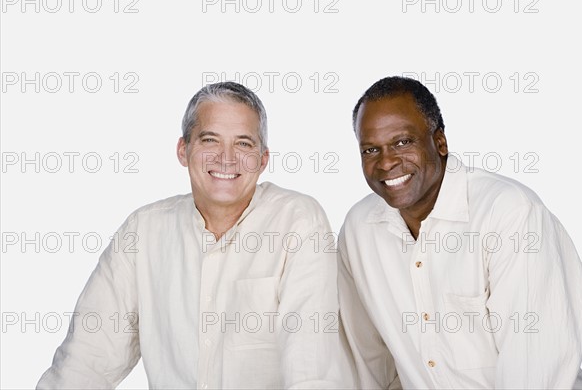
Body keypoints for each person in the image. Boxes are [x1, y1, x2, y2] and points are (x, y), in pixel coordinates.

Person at [38, 82, 354, 389]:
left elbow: (311, 363)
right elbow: (87, 359)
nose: (227, 158)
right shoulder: (143, 231)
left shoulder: (298, 222)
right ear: (183, 150)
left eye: (243, 143)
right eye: (209, 140)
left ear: (263, 159)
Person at [337, 76, 582, 389]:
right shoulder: (359, 229)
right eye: (370, 150)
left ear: (440, 142)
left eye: (403, 142)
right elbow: (368, 362)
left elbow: (535, 369)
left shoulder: (508, 214)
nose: (387, 162)